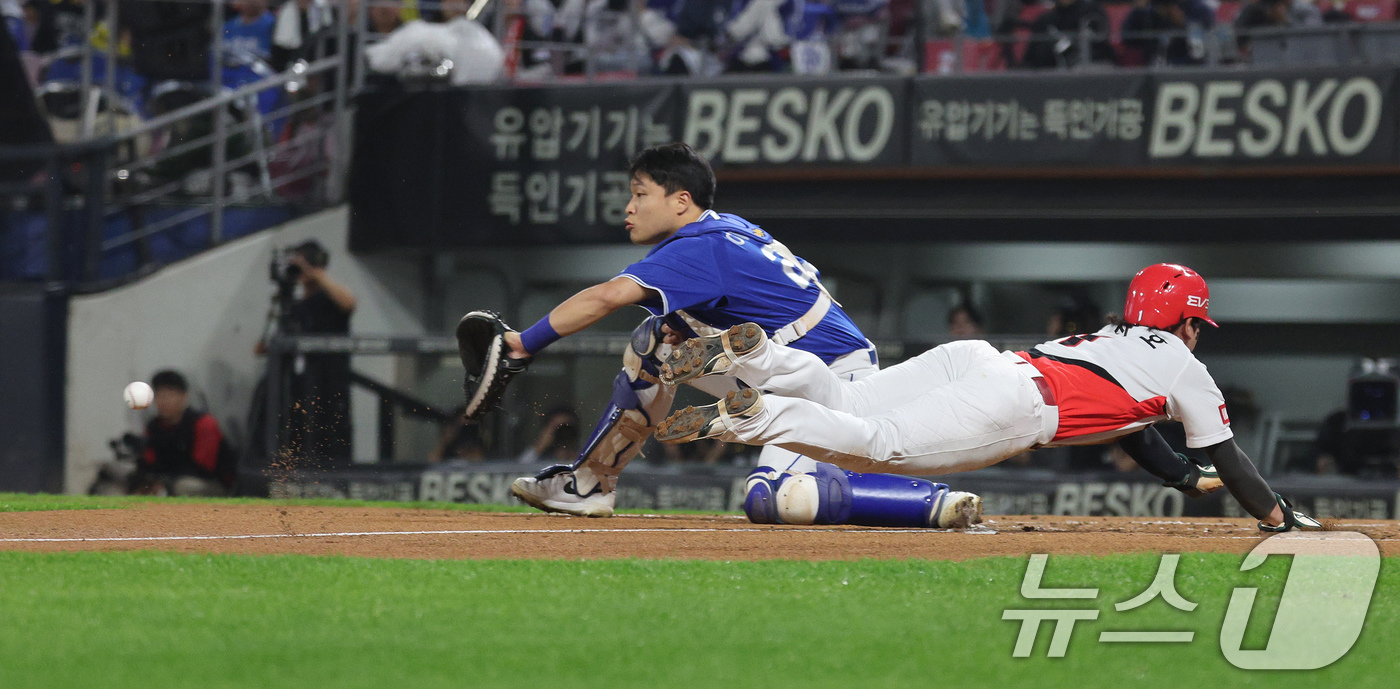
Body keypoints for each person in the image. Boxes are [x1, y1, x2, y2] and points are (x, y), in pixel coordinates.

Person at [503, 142, 981, 528]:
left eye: (640, 193)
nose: (629, 206)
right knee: (652, 344)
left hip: (836, 386)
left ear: (680, 201)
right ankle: (589, 486)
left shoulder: (699, 247)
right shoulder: (725, 232)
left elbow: (606, 297)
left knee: (771, 497)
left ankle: (929, 505)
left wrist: (524, 343)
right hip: (785, 372)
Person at [655, 264, 1323, 532]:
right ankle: (754, 413)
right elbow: (1232, 457)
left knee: (850, 403)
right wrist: (1275, 516)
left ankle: (760, 357)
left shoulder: (1110, 337)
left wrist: (1181, 475)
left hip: (985, 360)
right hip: (1015, 404)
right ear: (1184, 323)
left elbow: (1129, 426)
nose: (1195, 335)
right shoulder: (1180, 365)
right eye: (1195, 323)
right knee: (876, 444)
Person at [262, 239, 357, 464]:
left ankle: (334, 478)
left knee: (331, 433)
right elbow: (266, 345)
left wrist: (316, 273)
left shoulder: (329, 297)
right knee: (297, 432)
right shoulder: (294, 305)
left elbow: (350, 303)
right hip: (299, 382)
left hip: (331, 379)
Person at [135, 370, 229, 496]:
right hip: (169, 480)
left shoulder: (203, 423)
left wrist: (165, 481)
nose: (164, 401)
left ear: (184, 397)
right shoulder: (154, 426)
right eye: (159, 395)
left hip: (209, 483)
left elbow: (203, 468)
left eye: (170, 395)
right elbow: (149, 462)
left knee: (183, 486)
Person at [1021, 0, 1116, 69]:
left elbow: (1101, 46)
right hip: (1052, 75)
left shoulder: (1092, 13)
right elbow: (1032, 57)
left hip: (1091, 68)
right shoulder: (1045, 20)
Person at [1121, 0, 1214, 66]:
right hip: (1154, 66)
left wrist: (1182, 21)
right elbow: (1128, 38)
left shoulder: (1197, 8)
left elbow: (1204, 42)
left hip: (1190, 65)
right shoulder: (1150, 9)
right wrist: (1138, 10)